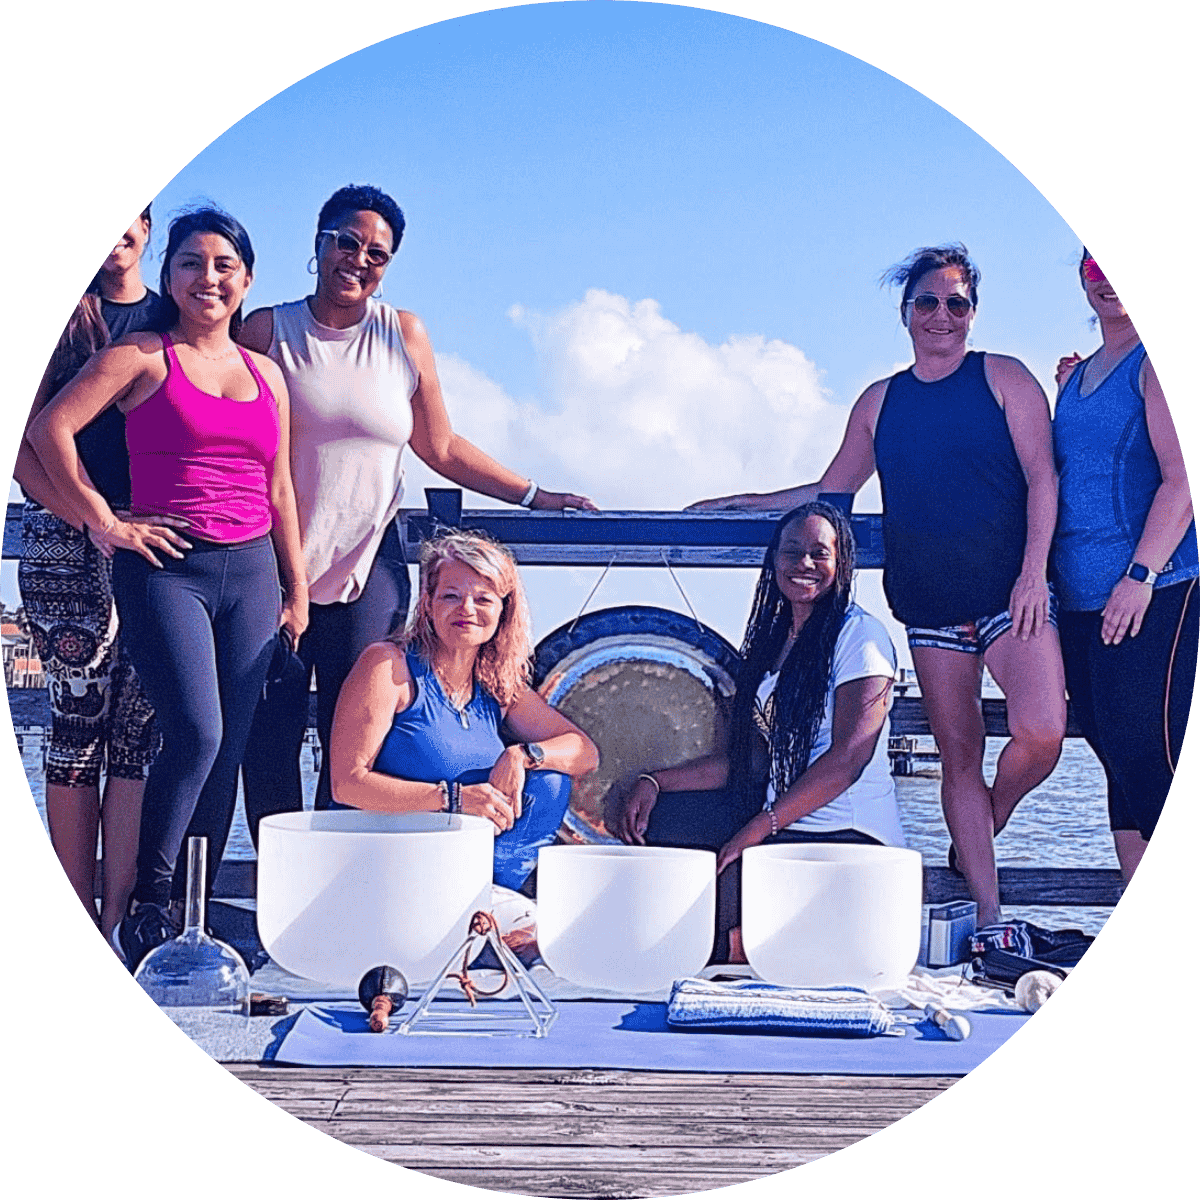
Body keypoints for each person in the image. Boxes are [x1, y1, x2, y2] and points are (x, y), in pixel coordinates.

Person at [689, 245, 1066, 927]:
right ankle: (987, 914)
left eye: (957, 303)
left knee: (1042, 730)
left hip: (1013, 598)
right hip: (931, 609)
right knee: (959, 758)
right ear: (906, 312)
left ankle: (993, 812)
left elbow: (1044, 477)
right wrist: (748, 502)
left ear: (973, 314)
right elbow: (833, 490)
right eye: (928, 302)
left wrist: (1034, 574)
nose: (942, 315)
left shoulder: (1004, 378)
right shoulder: (881, 401)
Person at [236, 184, 596, 838]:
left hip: (367, 567)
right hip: (275, 567)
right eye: (346, 242)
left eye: (377, 253)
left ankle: (338, 893)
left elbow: (441, 446)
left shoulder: (403, 334)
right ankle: (274, 896)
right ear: (319, 244)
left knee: (352, 748)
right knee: (269, 739)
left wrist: (535, 495)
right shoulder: (266, 330)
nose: (359, 259)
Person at [29, 206, 308, 969]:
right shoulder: (141, 355)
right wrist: (100, 519)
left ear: (246, 278)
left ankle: (195, 913)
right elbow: (51, 428)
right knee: (196, 733)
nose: (208, 278)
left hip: (252, 570)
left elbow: (278, 486)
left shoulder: (268, 375)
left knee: (228, 748)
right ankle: (149, 905)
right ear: (170, 275)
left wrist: (298, 586)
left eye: (224, 265)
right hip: (166, 568)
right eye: (191, 263)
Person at [614, 501, 902, 961]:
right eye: (792, 551)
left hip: (846, 832)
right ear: (773, 560)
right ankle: (743, 942)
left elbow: (848, 759)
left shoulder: (860, 637)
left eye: (819, 553)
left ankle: (757, 945)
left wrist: (760, 827)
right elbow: (753, 761)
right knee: (661, 824)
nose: (804, 563)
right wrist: (655, 782)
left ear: (842, 562)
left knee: (699, 925)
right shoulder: (774, 642)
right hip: (784, 825)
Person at [15, 208, 175, 955]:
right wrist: (91, 521)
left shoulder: (171, 314)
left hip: (152, 542)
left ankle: (122, 921)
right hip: (65, 542)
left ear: (147, 229)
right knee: (75, 733)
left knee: (137, 736)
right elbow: (25, 451)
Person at [330, 530, 599, 894]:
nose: (467, 610)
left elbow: (584, 751)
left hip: (468, 872)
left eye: (483, 599)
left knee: (550, 782)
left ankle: (494, 901)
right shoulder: (388, 666)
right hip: (390, 865)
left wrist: (524, 755)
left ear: (504, 609)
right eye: (451, 596)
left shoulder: (497, 683)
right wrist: (452, 799)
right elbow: (346, 784)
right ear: (428, 603)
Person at [1051, 250, 1196, 883]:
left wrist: (1139, 578)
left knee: (1154, 754)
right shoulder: (1078, 378)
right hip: (1081, 600)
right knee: (1115, 756)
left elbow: (1181, 480)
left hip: (1153, 592)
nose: (1107, 281)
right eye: (1095, 268)